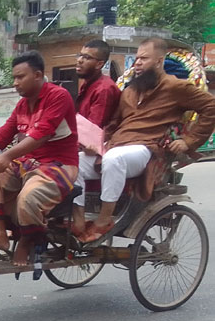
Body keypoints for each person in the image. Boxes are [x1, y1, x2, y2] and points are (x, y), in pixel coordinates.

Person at [72, 38, 215, 242]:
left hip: (145, 149)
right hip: (116, 145)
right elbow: (113, 124)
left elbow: (210, 107)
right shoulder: (130, 91)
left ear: (159, 61)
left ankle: (103, 221)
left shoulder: (176, 87)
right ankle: (78, 218)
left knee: (114, 159)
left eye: (144, 59)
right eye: (137, 58)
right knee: (71, 162)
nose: (137, 63)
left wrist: (188, 141)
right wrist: (96, 143)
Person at [0, 51, 79, 266]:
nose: (15, 83)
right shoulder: (22, 105)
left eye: (21, 77)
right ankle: (0, 234)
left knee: (28, 196)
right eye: (14, 78)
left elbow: (41, 135)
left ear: (37, 75)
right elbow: (2, 135)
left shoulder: (58, 96)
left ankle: (27, 240)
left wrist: (7, 155)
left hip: (58, 165)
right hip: (27, 163)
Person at [75, 39, 121, 128]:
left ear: (99, 64)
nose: (79, 60)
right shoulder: (87, 83)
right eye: (80, 55)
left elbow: (93, 128)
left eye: (87, 57)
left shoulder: (105, 89)